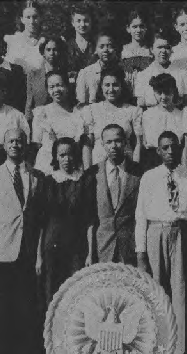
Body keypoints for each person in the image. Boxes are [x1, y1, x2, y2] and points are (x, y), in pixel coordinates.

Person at [0, 128, 47, 354]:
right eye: (11, 141)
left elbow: (40, 219)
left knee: (28, 308)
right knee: (3, 310)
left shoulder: (37, 176)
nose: (15, 145)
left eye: (19, 141)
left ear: (26, 145)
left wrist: (39, 253)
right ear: (4, 145)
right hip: (2, 252)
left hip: (28, 252)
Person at [136, 131, 187, 354]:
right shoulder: (149, 177)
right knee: (156, 296)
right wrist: (141, 254)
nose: (170, 151)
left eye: (174, 146)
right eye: (165, 147)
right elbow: (141, 217)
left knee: (180, 297)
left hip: (180, 235)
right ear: (158, 151)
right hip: (155, 234)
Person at [39, 137, 90, 312]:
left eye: (70, 154)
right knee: (52, 291)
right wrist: (39, 255)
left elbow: (89, 220)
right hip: (52, 245)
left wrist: (90, 252)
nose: (66, 159)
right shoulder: (47, 182)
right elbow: (41, 222)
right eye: (62, 155)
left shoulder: (83, 181)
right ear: (56, 157)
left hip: (77, 246)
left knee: (77, 292)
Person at [86, 124, 143, 266]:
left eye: (117, 141)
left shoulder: (139, 172)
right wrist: (90, 252)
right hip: (102, 248)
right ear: (102, 144)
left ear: (125, 142)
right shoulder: (92, 174)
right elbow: (89, 218)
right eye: (109, 142)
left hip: (130, 248)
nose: (113, 146)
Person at [81, 69, 143, 165]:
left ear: (121, 86)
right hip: (99, 165)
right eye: (107, 85)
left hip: (126, 165)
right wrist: (88, 171)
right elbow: (87, 145)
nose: (111, 89)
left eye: (115, 85)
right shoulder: (91, 110)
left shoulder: (133, 111)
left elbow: (138, 144)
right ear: (101, 87)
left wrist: (135, 168)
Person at [31, 72, 87, 173]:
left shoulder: (79, 113)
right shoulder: (42, 114)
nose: (56, 90)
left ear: (67, 87)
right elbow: (36, 144)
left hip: (73, 165)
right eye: (51, 87)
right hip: (47, 165)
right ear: (47, 90)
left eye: (59, 85)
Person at [134, 30, 187, 109]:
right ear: (151, 49)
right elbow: (141, 104)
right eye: (159, 47)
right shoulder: (142, 75)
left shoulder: (182, 73)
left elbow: (185, 102)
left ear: (171, 50)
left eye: (167, 47)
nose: (163, 51)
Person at [140, 73, 183, 170]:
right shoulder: (147, 115)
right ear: (154, 92)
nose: (163, 97)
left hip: (175, 159)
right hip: (152, 160)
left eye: (167, 92)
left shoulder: (181, 115)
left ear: (173, 92)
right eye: (159, 92)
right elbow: (145, 143)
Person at [25, 36, 70, 120]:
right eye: (48, 50)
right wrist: (28, 122)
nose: (52, 53)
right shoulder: (33, 75)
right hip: (40, 119)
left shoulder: (66, 75)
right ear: (43, 52)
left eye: (55, 50)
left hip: (61, 118)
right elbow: (29, 102)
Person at [75, 32, 123, 107]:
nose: (105, 50)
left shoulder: (123, 71)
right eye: (101, 47)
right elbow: (81, 102)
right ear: (95, 50)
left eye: (110, 46)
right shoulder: (86, 73)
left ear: (116, 49)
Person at [5, 3, 45, 74]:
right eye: (28, 17)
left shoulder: (45, 41)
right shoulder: (13, 40)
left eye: (35, 17)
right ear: (22, 19)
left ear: (40, 18)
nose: (32, 21)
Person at [66, 5, 98, 76]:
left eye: (86, 21)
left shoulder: (98, 45)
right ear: (73, 23)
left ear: (91, 22)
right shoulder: (66, 47)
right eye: (78, 21)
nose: (82, 24)